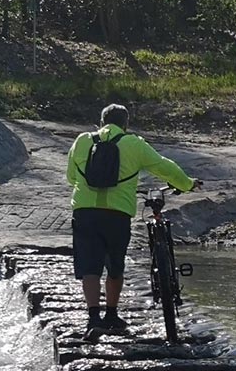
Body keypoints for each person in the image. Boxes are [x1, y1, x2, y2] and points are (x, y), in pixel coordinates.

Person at [66, 103, 200, 333]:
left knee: (90, 266)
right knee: (115, 264)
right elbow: (163, 167)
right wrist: (186, 184)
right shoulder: (133, 144)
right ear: (125, 124)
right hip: (117, 215)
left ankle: (93, 319)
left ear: (101, 122)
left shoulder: (82, 141)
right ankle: (112, 314)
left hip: (85, 212)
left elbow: (71, 177)